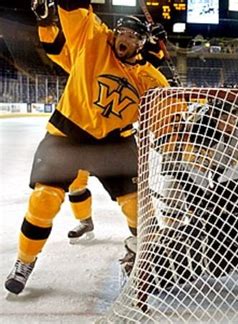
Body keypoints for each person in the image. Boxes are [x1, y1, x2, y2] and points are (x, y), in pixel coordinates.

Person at [5, 0, 168, 295]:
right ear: (114, 33)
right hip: (67, 134)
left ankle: (144, 259)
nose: (126, 39)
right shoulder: (92, 40)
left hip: (114, 143)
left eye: (135, 37)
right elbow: (74, 8)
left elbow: (167, 120)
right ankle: (24, 262)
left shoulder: (150, 79)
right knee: (43, 200)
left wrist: (180, 142)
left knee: (137, 207)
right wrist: (46, 22)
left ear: (142, 44)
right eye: (124, 33)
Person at [36, 4, 94, 242]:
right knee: (76, 183)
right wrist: (46, 24)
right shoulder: (85, 60)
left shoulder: (124, 66)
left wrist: (156, 53)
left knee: (129, 195)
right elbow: (56, 49)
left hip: (112, 135)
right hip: (78, 130)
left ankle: (139, 236)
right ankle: (85, 221)